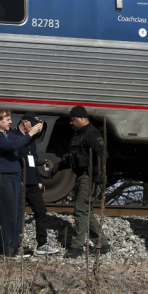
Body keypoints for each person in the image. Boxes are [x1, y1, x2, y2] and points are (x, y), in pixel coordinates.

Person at [0, 108, 43, 257]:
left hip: (15, 179)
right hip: (5, 178)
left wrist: (34, 133)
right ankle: (9, 249)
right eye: (8, 120)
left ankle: (16, 246)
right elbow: (12, 146)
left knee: (18, 214)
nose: (11, 122)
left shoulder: (7, 135)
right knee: (8, 215)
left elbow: (20, 144)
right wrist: (31, 133)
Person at [63, 106, 110, 258]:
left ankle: (76, 246)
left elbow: (102, 155)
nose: (71, 123)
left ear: (82, 118)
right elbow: (72, 156)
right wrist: (57, 167)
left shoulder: (92, 134)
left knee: (80, 210)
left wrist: (98, 177)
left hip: (89, 178)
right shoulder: (79, 135)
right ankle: (102, 243)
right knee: (86, 210)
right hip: (81, 176)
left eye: (73, 119)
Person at [9, 112, 59, 255]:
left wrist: (38, 181)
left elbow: (33, 163)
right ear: (24, 122)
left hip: (32, 183)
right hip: (19, 182)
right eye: (32, 123)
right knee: (17, 214)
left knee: (41, 211)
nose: (36, 127)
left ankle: (42, 244)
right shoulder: (13, 136)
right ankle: (14, 245)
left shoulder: (32, 141)